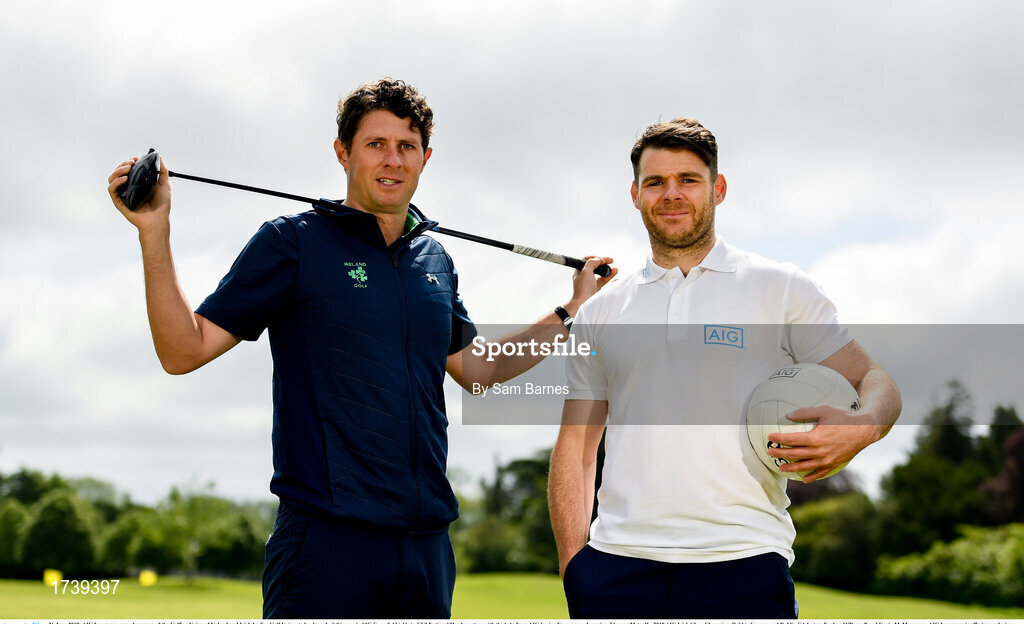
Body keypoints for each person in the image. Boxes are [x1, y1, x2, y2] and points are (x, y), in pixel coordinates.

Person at [106, 77, 615, 619]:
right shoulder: (293, 242)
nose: (393, 160)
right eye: (376, 144)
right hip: (325, 544)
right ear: (343, 152)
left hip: (426, 546)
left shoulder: (435, 261)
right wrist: (154, 233)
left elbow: (478, 370)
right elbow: (183, 351)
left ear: (425, 158)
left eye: (406, 146)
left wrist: (572, 310)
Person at [548, 118, 901, 619]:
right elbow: (577, 446)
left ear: (718, 189)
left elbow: (876, 382)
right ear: (635, 195)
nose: (672, 193)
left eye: (688, 179)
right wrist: (574, 564)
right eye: (655, 181)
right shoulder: (600, 312)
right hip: (615, 566)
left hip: (746, 561)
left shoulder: (781, 289)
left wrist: (861, 427)